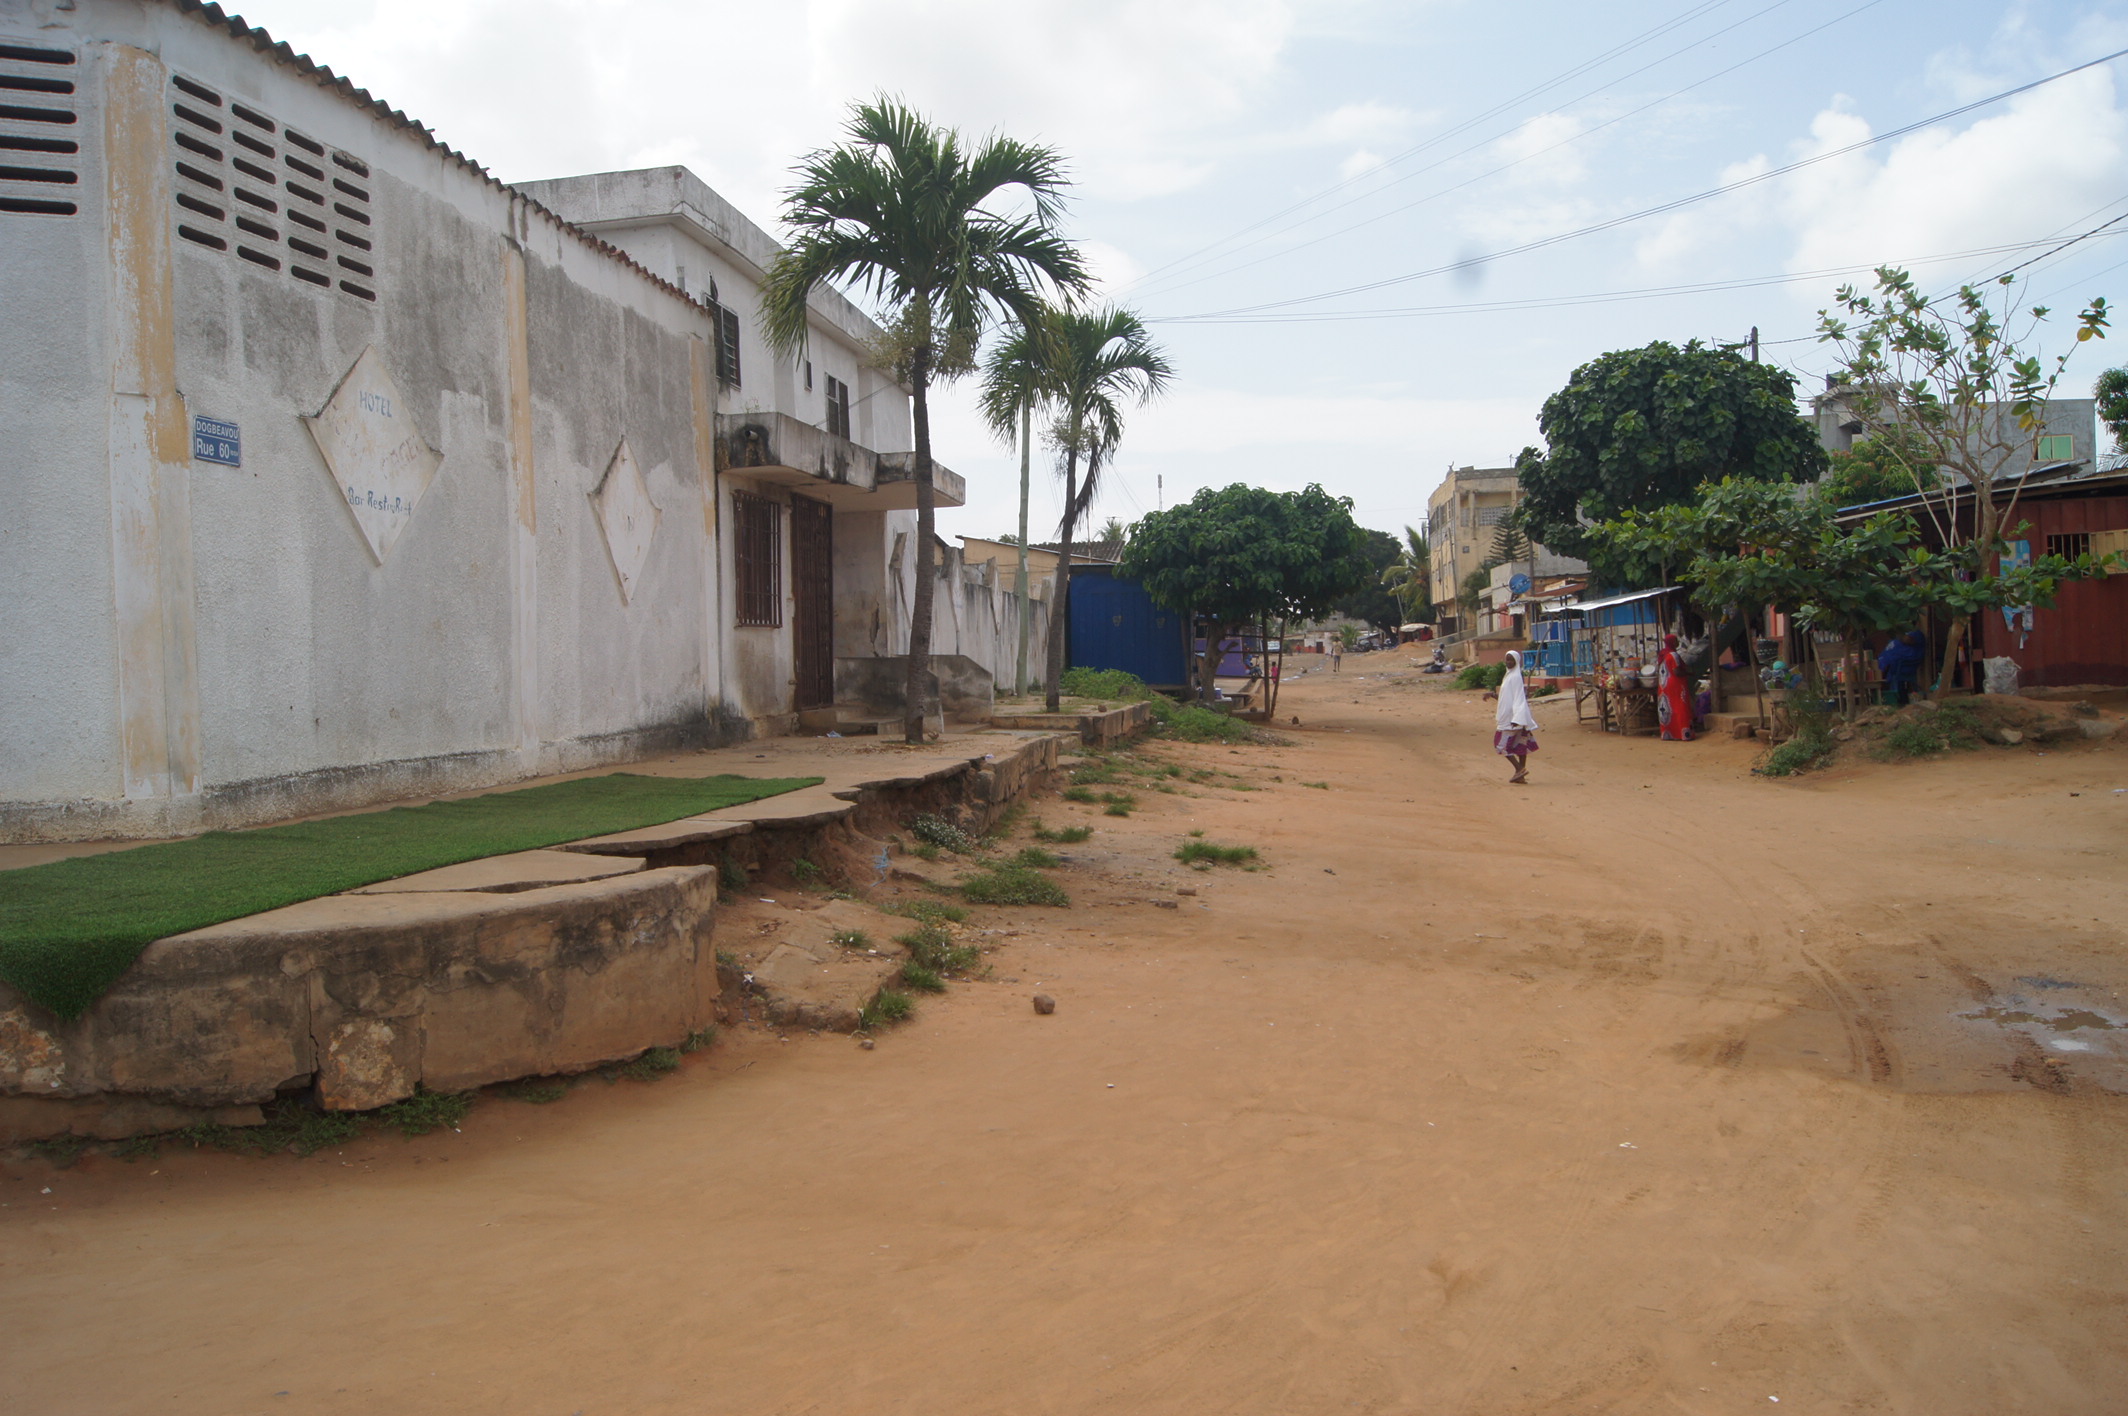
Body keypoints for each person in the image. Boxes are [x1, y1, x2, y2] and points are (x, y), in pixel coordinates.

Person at [1483, 650, 1539, 784]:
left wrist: (1517, 717)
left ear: (1516, 661)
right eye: (1507, 659)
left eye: (1511, 660)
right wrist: (1492, 695)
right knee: (1520, 745)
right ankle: (1520, 776)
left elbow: (1519, 698)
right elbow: (1506, 698)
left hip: (1512, 718)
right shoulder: (1509, 675)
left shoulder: (1515, 677)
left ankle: (1519, 769)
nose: (1508, 662)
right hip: (1514, 717)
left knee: (1500, 745)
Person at [1657, 633, 1693, 741]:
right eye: (1676, 640)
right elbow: (1677, 672)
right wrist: (1688, 673)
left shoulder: (1663, 654)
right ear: (1672, 642)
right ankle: (1684, 733)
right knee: (1681, 707)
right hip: (1676, 685)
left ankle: (1668, 734)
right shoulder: (1673, 655)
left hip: (1664, 685)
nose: (1677, 642)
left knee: (1668, 709)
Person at [1879, 629, 1926, 706]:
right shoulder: (1898, 642)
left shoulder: (1915, 641)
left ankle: (1897, 699)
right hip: (1896, 670)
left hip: (1902, 670)